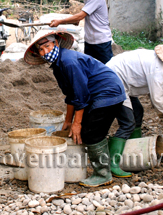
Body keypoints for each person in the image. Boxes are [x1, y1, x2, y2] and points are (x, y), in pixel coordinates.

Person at [24, 31, 126, 187]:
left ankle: (103, 174)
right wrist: (68, 121)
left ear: (56, 44)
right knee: (87, 129)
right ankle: (101, 166)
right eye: (41, 50)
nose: (45, 52)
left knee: (90, 132)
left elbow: (81, 95)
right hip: (97, 95)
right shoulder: (58, 65)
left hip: (107, 93)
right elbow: (70, 94)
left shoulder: (69, 61)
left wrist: (77, 123)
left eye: (47, 47)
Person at [105, 44, 163, 178]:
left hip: (121, 79)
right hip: (113, 80)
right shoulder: (159, 70)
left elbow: (158, 98)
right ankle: (111, 163)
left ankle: (134, 149)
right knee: (128, 122)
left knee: (138, 112)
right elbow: (159, 101)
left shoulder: (159, 63)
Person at [49, 0, 113, 64]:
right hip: (90, 40)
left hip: (101, 41)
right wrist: (76, 20)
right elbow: (87, 14)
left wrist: (59, 21)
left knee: (107, 68)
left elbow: (81, 15)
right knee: (90, 68)